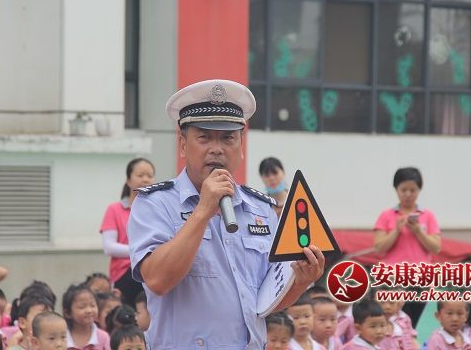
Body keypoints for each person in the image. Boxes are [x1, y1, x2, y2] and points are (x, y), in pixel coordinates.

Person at [128, 79, 325, 349]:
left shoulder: (261, 208)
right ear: (183, 144)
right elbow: (157, 280)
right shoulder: (155, 203)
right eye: (204, 137)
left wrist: (300, 282)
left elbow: (264, 301)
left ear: (240, 145)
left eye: (228, 137)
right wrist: (202, 211)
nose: (217, 148)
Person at [373, 167, 441, 326]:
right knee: (393, 321)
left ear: (419, 190)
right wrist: (396, 230)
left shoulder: (428, 216)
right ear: (396, 189)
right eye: (404, 190)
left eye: (413, 190)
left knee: (415, 322)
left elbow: (436, 248)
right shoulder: (386, 215)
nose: (408, 194)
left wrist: (418, 231)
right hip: (393, 280)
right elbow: (379, 248)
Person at [101, 158, 156, 307]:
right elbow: (109, 247)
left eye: (150, 175)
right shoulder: (114, 209)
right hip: (125, 273)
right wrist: (141, 252)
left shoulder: (157, 210)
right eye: (140, 175)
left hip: (152, 268)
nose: (146, 180)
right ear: (128, 180)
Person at [62, 283, 110, 350]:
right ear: (68, 313)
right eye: (82, 307)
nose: (89, 311)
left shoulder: (103, 337)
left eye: (92, 305)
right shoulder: (62, 338)